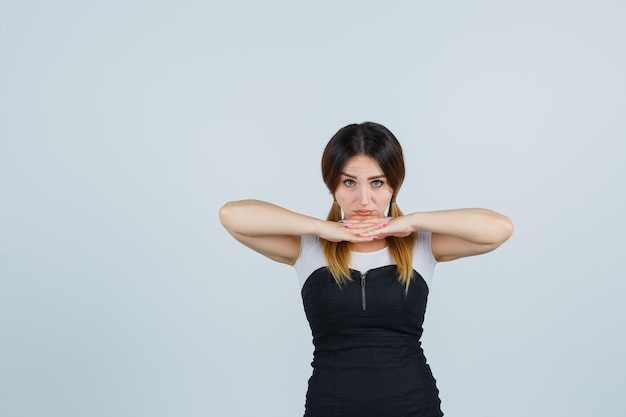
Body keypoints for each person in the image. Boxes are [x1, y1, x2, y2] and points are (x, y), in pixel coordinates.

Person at [219, 121, 513, 417]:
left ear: (393, 185)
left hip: (415, 407)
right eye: (349, 183)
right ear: (332, 184)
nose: (363, 199)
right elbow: (232, 215)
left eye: (377, 182)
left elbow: (499, 229)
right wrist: (324, 228)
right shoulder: (308, 246)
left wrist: (411, 221)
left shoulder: (420, 244)